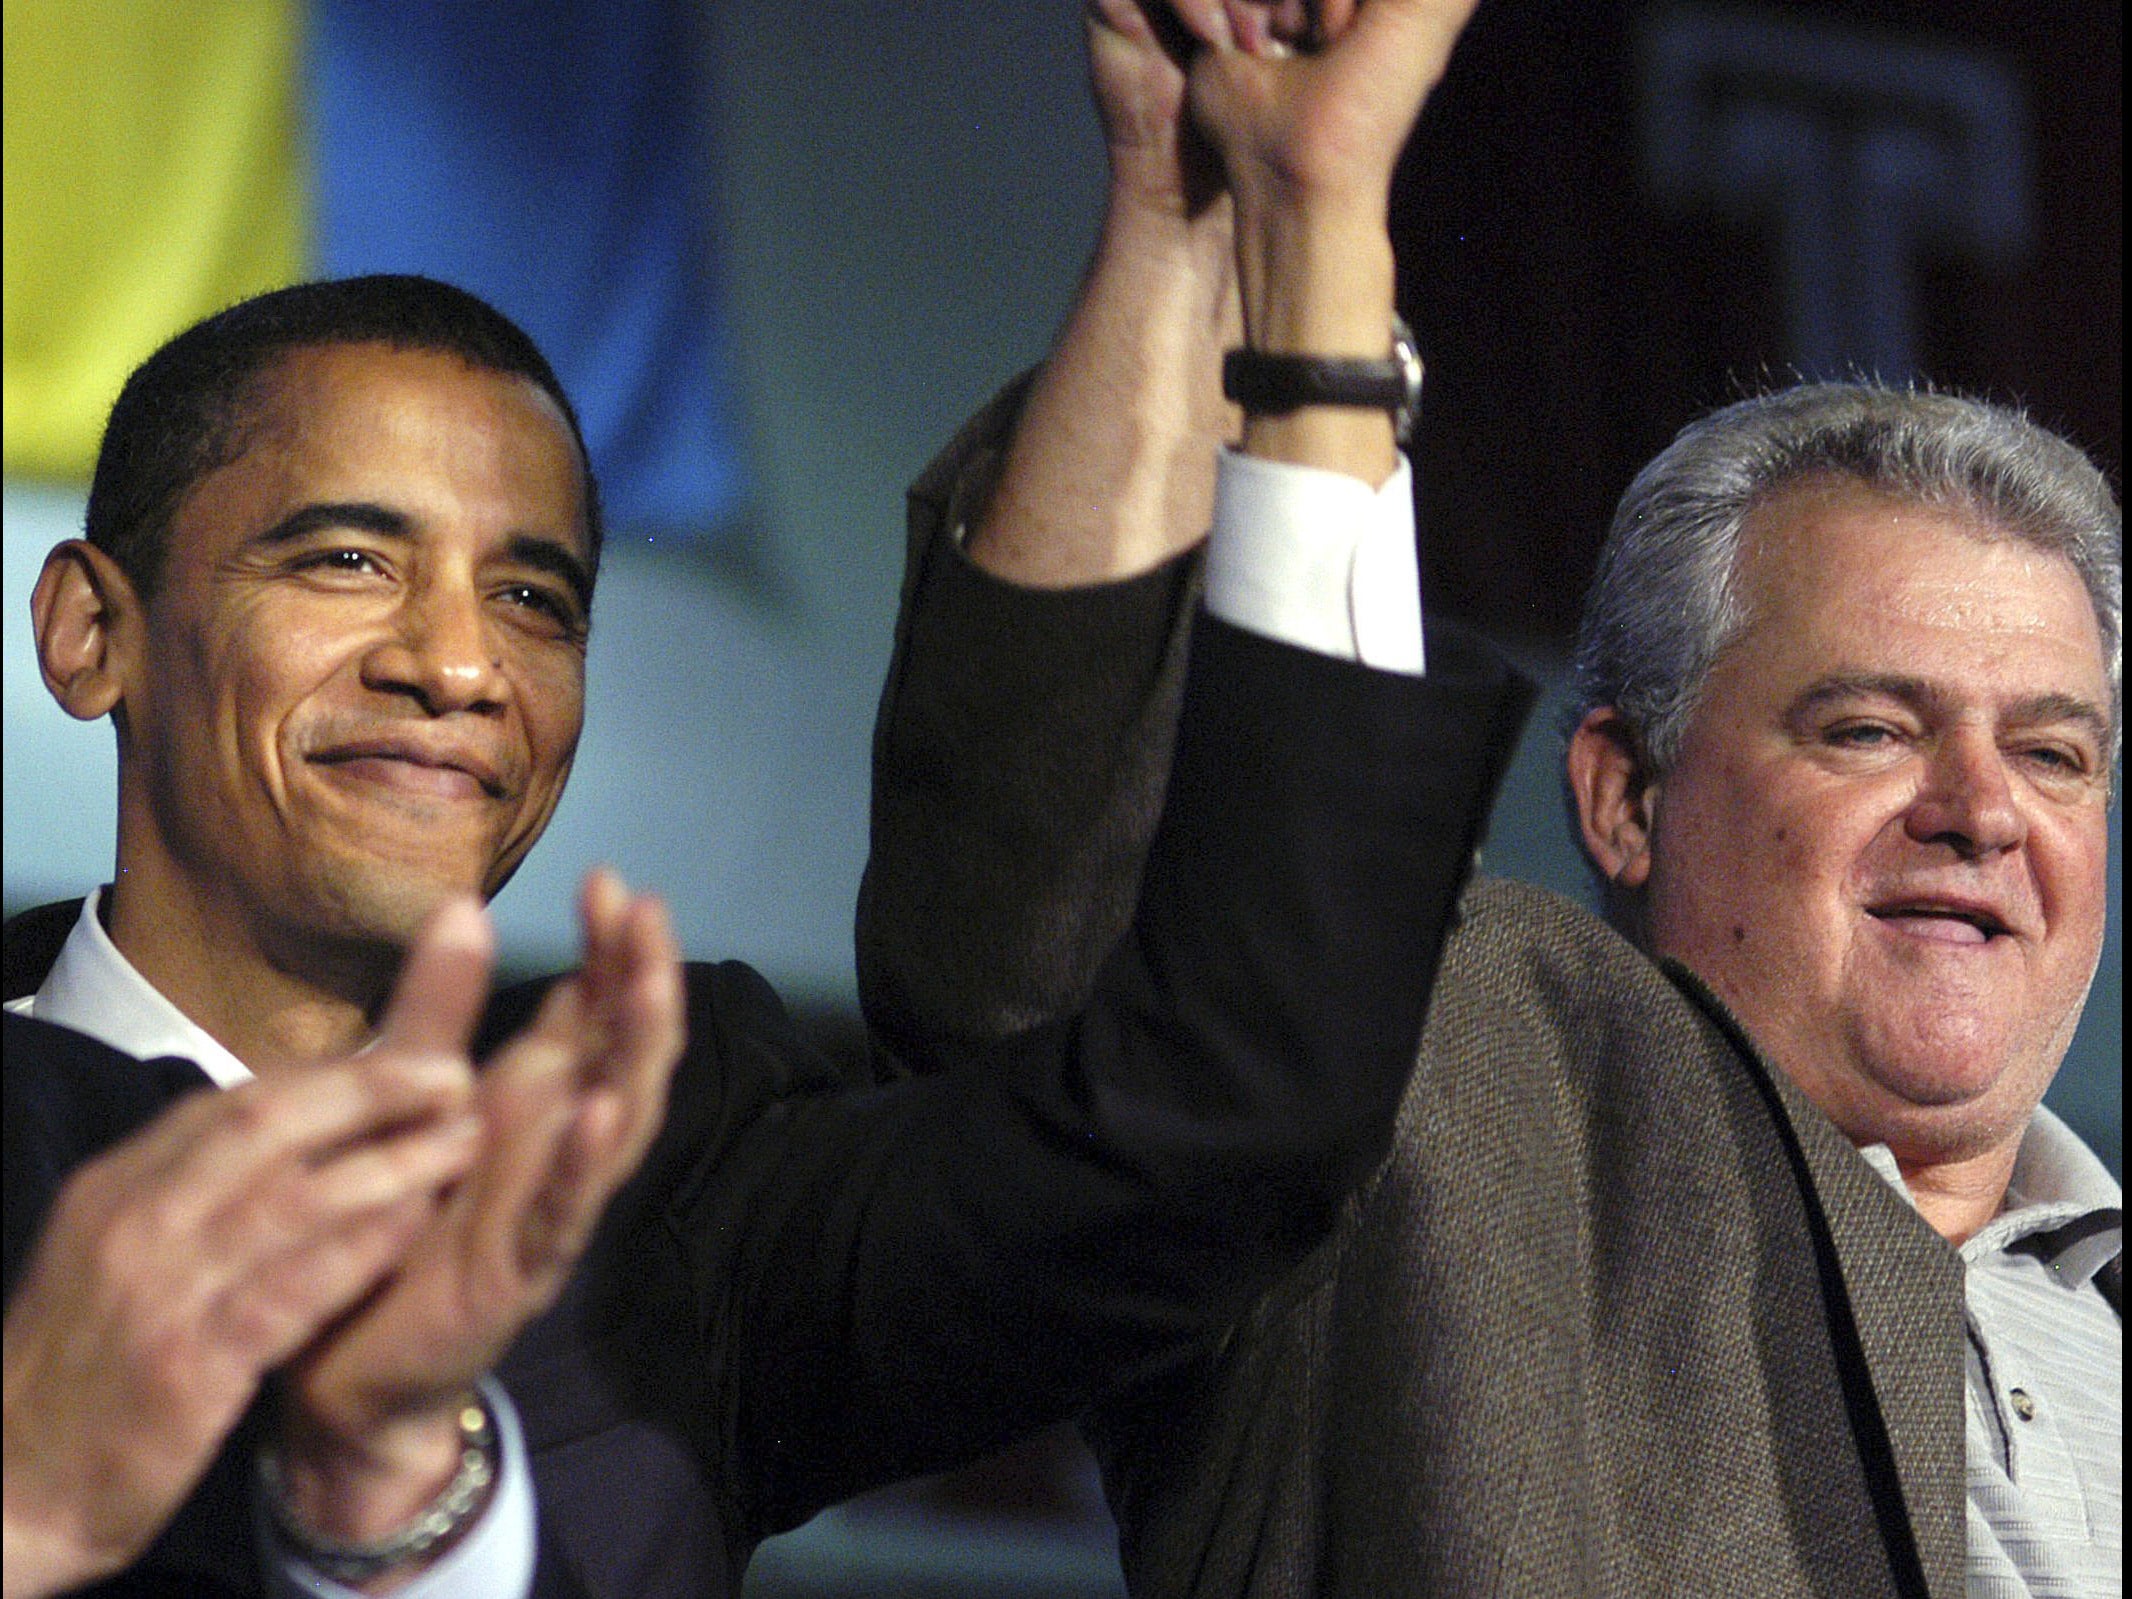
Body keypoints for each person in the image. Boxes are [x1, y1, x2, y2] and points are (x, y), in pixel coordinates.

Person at [0, 199, 1532, 1599]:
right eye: (344, 559)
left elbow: (1217, 1115)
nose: (459, 666)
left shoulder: (672, 1157)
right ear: (89, 635)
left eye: (534, 599)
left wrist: (1277, 229)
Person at [858, 2, 2122, 1596]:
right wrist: (1213, 240)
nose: (1982, 808)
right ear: (1625, 797)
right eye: (1870, 728)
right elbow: (1035, 941)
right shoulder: (1429, 1108)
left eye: (2055, 752)